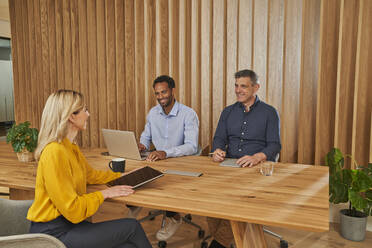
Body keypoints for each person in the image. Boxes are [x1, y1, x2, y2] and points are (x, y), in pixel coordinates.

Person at [27, 90, 152, 248]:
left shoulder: (70, 147)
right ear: (72, 116)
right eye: (85, 110)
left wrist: (123, 175)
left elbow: (90, 175)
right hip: (53, 234)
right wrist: (104, 194)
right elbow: (72, 208)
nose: (89, 114)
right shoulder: (54, 152)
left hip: (70, 225)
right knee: (132, 227)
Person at [208, 69, 281, 248]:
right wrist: (217, 150)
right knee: (210, 198)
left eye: (243, 86)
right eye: (236, 85)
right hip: (229, 165)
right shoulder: (228, 112)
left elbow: (274, 145)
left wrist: (257, 157)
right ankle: (227, 235)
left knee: (234, 201)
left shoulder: (269, 112)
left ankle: (219, 243)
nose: (238, 90)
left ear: (256, 87)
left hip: (255, 168)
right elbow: (219, 138)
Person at [130, 75, 199, 241]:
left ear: (173, 91)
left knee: (168, 182)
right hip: (158, 160)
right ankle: (134, 205)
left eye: (164, 92)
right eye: (157, 93)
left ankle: (174, 216)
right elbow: (145, 138)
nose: (160, 97)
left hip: (183, 163)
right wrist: (142, 146)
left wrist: (166, 153)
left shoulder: (188, 114)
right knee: (132, 172)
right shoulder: (153, 113)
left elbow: (192, 146)